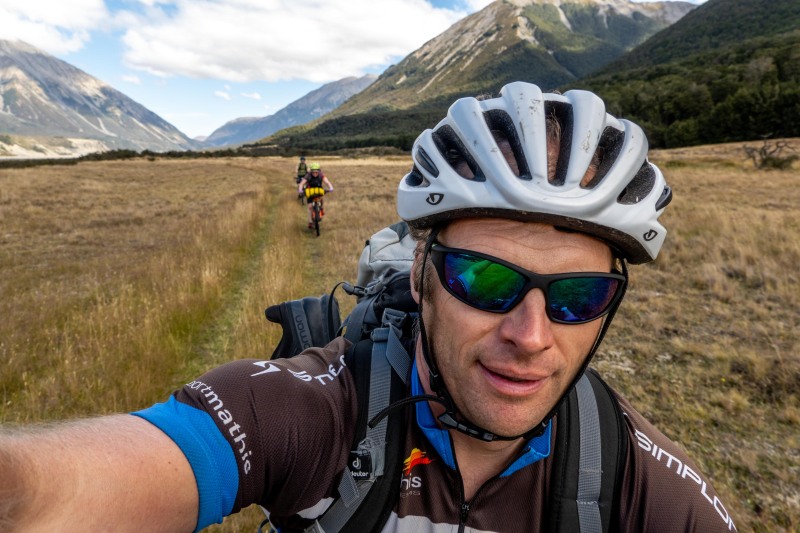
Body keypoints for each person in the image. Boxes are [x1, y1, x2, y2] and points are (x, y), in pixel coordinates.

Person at [0, 82, 737, 532]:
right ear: (420, 272)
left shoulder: (635, 480)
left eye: (580, 297)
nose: (531, 336)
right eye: (483, 280)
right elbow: (48, 497)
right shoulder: (323, 412)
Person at [297, 162, 334, 228]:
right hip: (310, 192)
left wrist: (331, 187)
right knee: (310, 207)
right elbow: (302, 184)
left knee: (321, 202)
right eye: (313, 172)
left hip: (318, 191)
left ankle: (321, 209)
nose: (315, 173)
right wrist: (300, 190)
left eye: (316, 172)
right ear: (311, 171)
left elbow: (327, 182)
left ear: (319, 171)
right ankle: (310, 222)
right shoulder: (308, 175)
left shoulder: (321, 175)